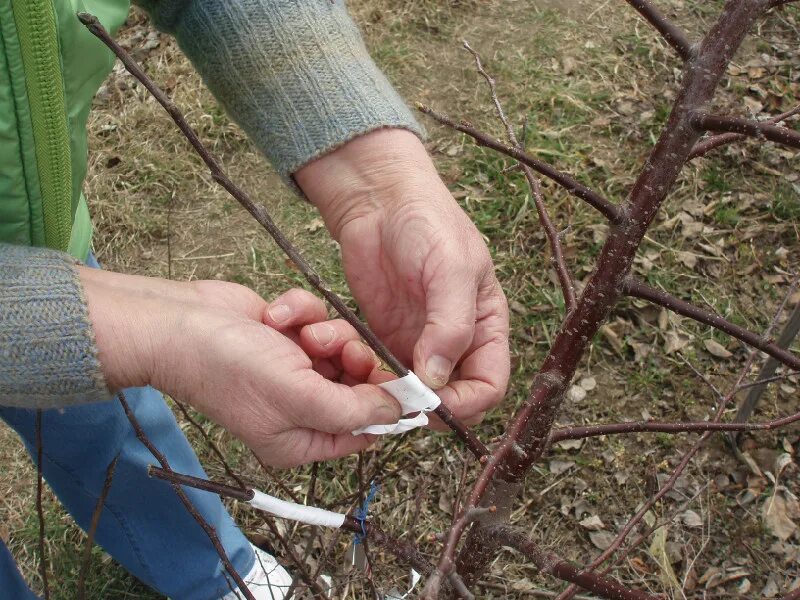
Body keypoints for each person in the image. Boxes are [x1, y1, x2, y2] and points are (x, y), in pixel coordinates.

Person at [0, 1, 510, 599]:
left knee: (107, 429)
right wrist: (136, 328)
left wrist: (380, 187)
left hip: (48, 242)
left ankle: (212, 573)